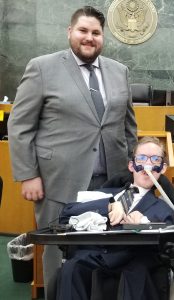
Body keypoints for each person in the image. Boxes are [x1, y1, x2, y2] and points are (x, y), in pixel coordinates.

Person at [7, 6, 137, 297]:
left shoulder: (119, 71)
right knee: (59, 256)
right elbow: (19, 124)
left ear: (102, 37)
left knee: (108, 252)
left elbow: (128, 126)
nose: (89, 38)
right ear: (70, 32)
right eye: (83, 31)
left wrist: (134, 168)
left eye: (96, 33)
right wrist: (28, 175)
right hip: (59, 182)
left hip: (111, 185)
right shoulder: (42, 67)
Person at [56, 136, 174, 300]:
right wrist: (109, 205)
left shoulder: (163, 208)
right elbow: (66, 213)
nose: (147, 165)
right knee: (72, 268)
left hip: (132, 260)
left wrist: (144, 225)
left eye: (155, 159)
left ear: (162, 168)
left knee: (138, 274)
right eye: (142, 158)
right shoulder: (105, 193)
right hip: (94, 255)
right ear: (131, 165)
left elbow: (167, 239)